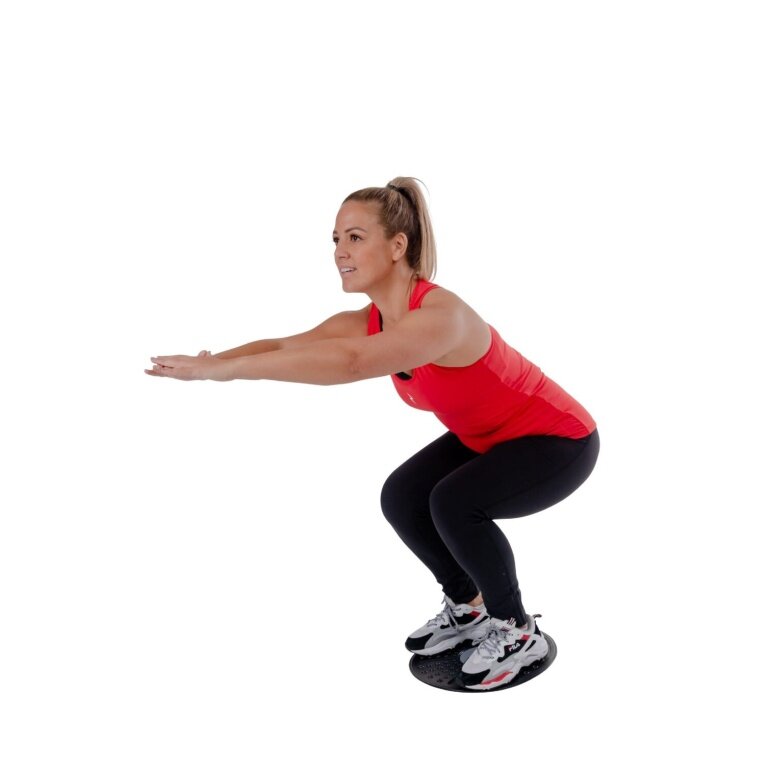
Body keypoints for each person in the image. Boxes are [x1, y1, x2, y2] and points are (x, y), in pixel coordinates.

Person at [146, 176, 599, 691]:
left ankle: (516, 630)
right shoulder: (371, 320)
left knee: (454, 503)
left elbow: (352, 363)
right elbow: (287, 345)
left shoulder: (441, 317)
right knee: (403, 495)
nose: (340, 251)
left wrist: (225, 373)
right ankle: (468, 607)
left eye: (355, 237)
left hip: (559, 440)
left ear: (398, 246)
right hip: (489, 436)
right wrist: (210, 364)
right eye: (336, 239)